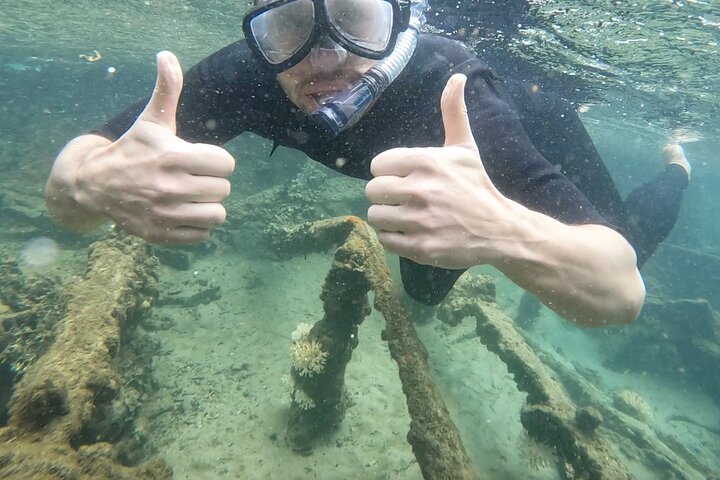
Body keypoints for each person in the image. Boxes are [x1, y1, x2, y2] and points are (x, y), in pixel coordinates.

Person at [45, 0, 690, 327]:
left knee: (626, 239)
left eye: (356, 20)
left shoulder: (452, 90)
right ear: (261, 32)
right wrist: (89, 182)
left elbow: (620, 292)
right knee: (424, 287)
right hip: (432, 175)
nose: (325, 59)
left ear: (399, 21)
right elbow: (66, 189)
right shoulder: (248, 76)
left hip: (538, 107)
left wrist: (501, 231)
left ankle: (677, 169)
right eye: (292, 27)